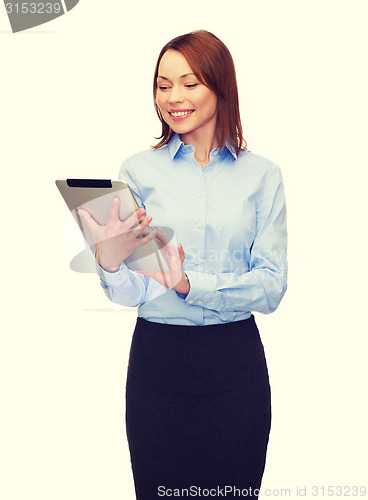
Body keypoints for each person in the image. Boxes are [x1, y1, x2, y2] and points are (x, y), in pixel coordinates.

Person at [78, 30, 287, 500]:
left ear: (220, 86)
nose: (173, 97)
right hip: (159, 364)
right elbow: (137, 292)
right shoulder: (137, 171)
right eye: (163, 84)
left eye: (189, 83)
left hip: (236, 366)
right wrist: (110, 264)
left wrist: (191, 283)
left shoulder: (263, 176)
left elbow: (272, 286)